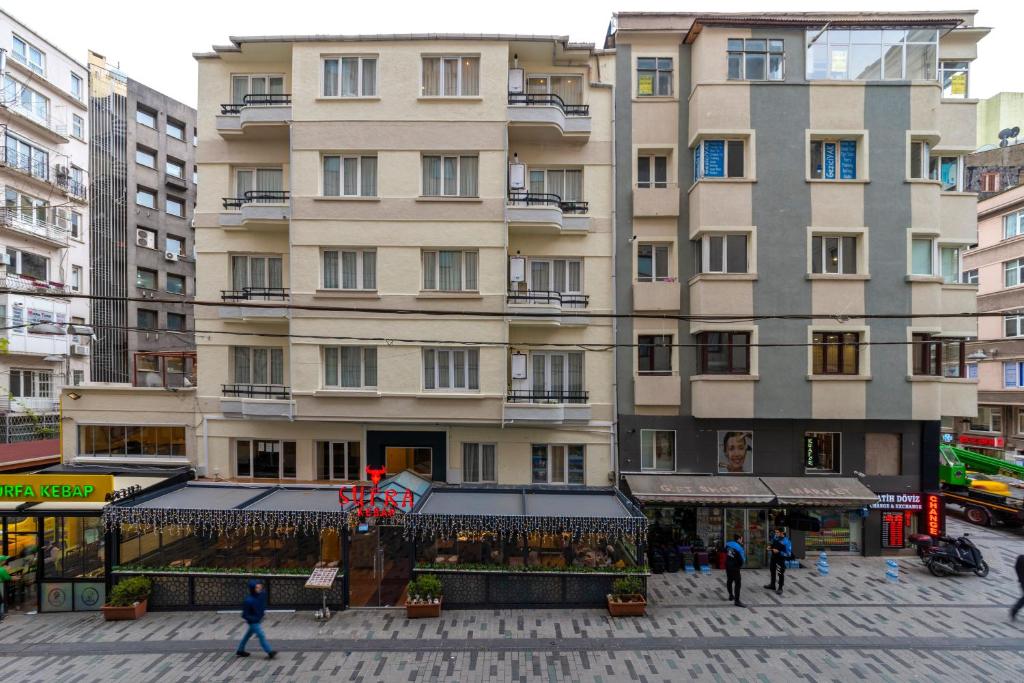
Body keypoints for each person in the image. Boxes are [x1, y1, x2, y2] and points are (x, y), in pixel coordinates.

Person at [236, 579, 276, 659]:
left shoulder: (261, 595)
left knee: (247, 636)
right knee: (261, 635)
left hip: (256, 619)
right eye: (257, 588)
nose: (259, 589)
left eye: (259, 587)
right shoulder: (248, 601)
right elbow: (244, 615)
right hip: (254, 622)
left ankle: (240, 650)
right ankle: (269, 651)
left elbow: (262, 602)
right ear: (253, 589)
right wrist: (254, 619)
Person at [765, 528, 792, 594]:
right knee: (772, 571)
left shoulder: (786, 541)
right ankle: (772, 585)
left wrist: (779, 552)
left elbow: (788, 554)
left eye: (777, 532)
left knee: (780, 573)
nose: (776, 534)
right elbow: (772, 544)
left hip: (780, 559)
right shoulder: (775, 537)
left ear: (782, 533)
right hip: (773, 558)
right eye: (775, 532)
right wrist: (769, 547)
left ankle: (780, 588)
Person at [724, 535, 746, 607]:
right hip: (735, 567)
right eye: (741, 539)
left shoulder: (728, 544)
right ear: (739, 539)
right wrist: (739, 566)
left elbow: (724, 551)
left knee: (729, 580)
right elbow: (742, 560)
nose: (742, 541)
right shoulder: (739, 548)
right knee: (738, 583)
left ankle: (731, 595)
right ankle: (737, 601)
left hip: (728, 565)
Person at [1012, 554, 1024, 621]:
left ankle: (1015, 610)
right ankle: (1015, 610)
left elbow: (1016, 568)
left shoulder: (1020, 559)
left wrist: (1020, 578)